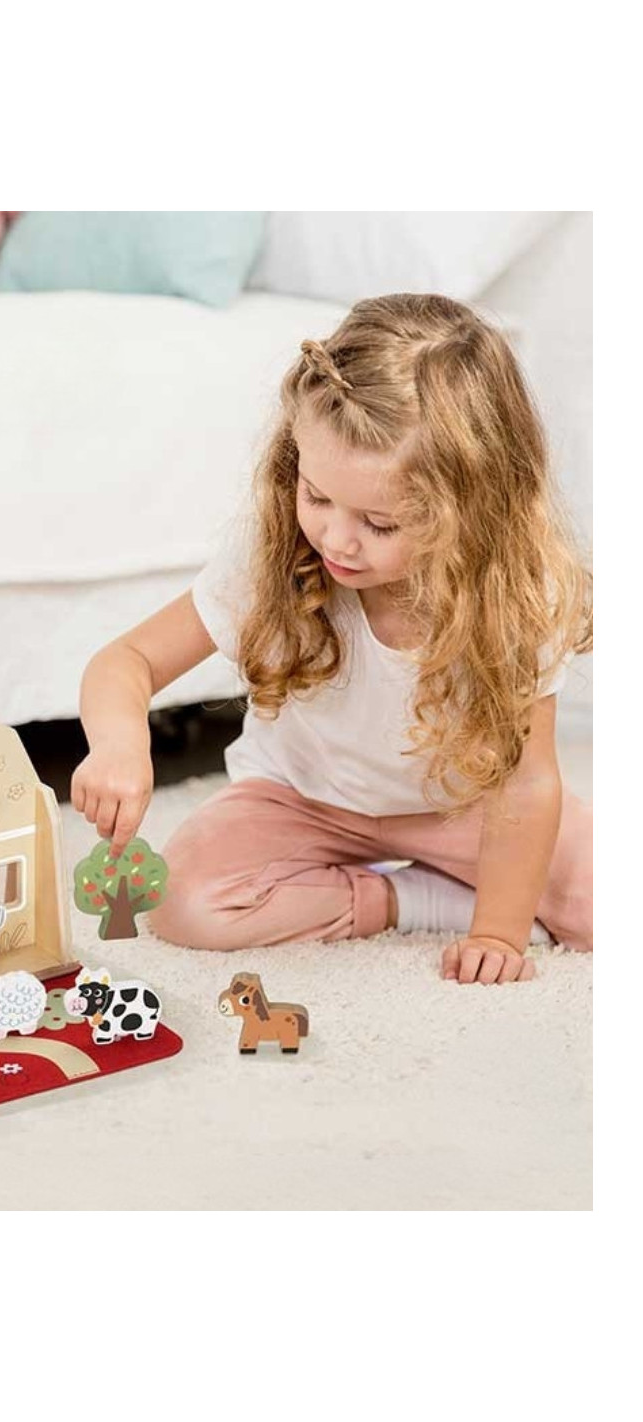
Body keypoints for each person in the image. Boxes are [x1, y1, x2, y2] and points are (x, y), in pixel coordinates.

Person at [71, 294, 592, 985]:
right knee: (184, 902)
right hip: (302, 801)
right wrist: (118, 745)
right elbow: (127, 661)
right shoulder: (274, 560)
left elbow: (525, 786)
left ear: (473, 510)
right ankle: (407, 899)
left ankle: (457, 894)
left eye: (380, 523)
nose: (337, 540)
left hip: (459, 811)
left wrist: (498, 931)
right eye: (316, 497)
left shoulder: (519, 594)